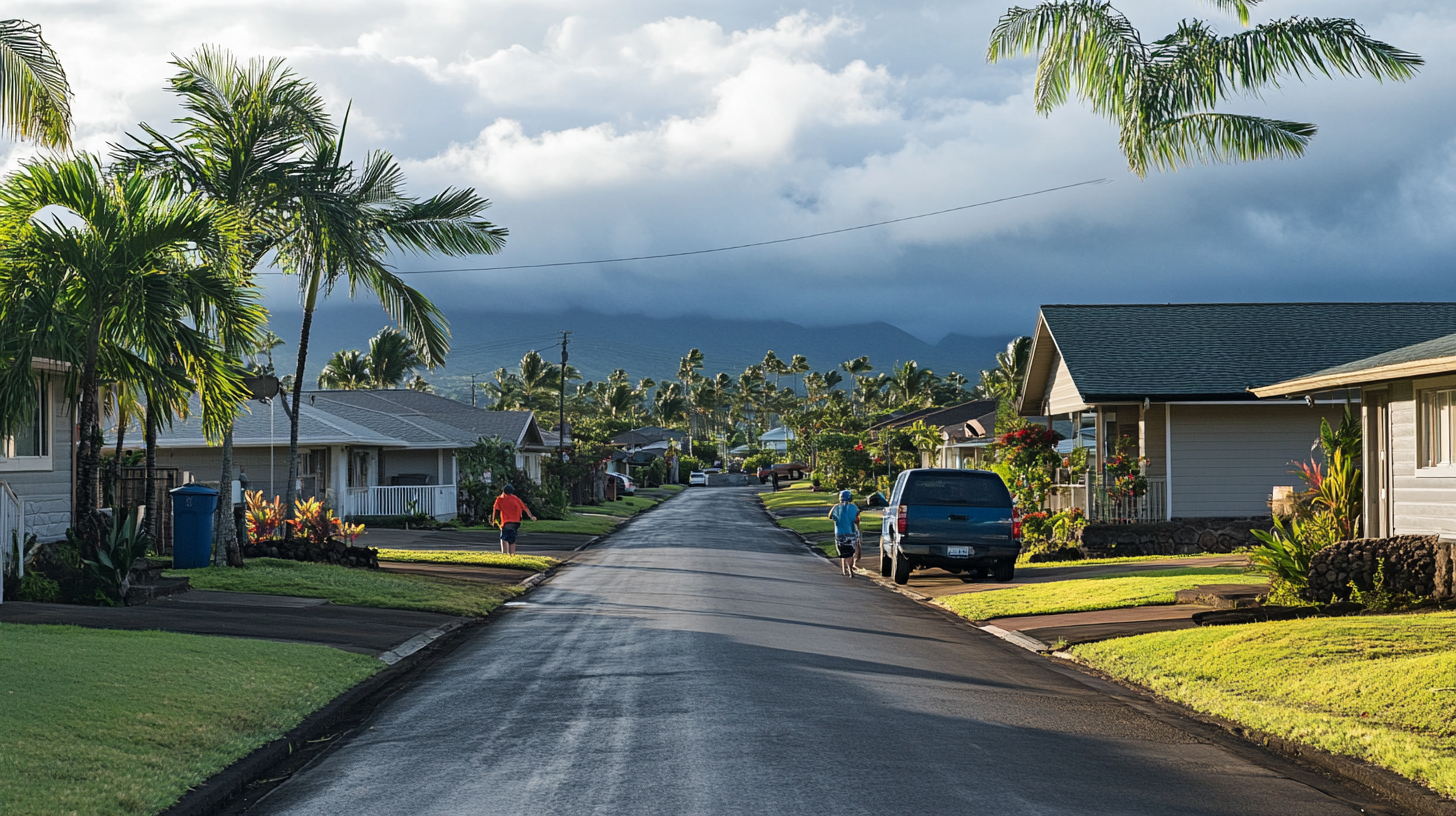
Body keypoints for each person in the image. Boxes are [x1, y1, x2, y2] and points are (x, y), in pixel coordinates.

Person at [491, 484, 536, 555]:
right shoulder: (516, 499)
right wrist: (531, 516)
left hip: (506, 522)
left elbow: (495, 510)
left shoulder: (500, 499)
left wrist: (493, 520)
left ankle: (504, 553)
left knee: (504, 538)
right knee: (512, 538)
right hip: (516, 522)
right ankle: (512, 554)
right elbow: (525, 508)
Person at [827, 489, 861, 576]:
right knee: (850, 552)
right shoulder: (854, 508)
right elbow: (856, 521)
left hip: (839, 533)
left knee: (843, 552)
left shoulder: (836, 507)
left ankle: (843, 570)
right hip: (850, 532)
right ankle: (850, 571)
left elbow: (830, 516)